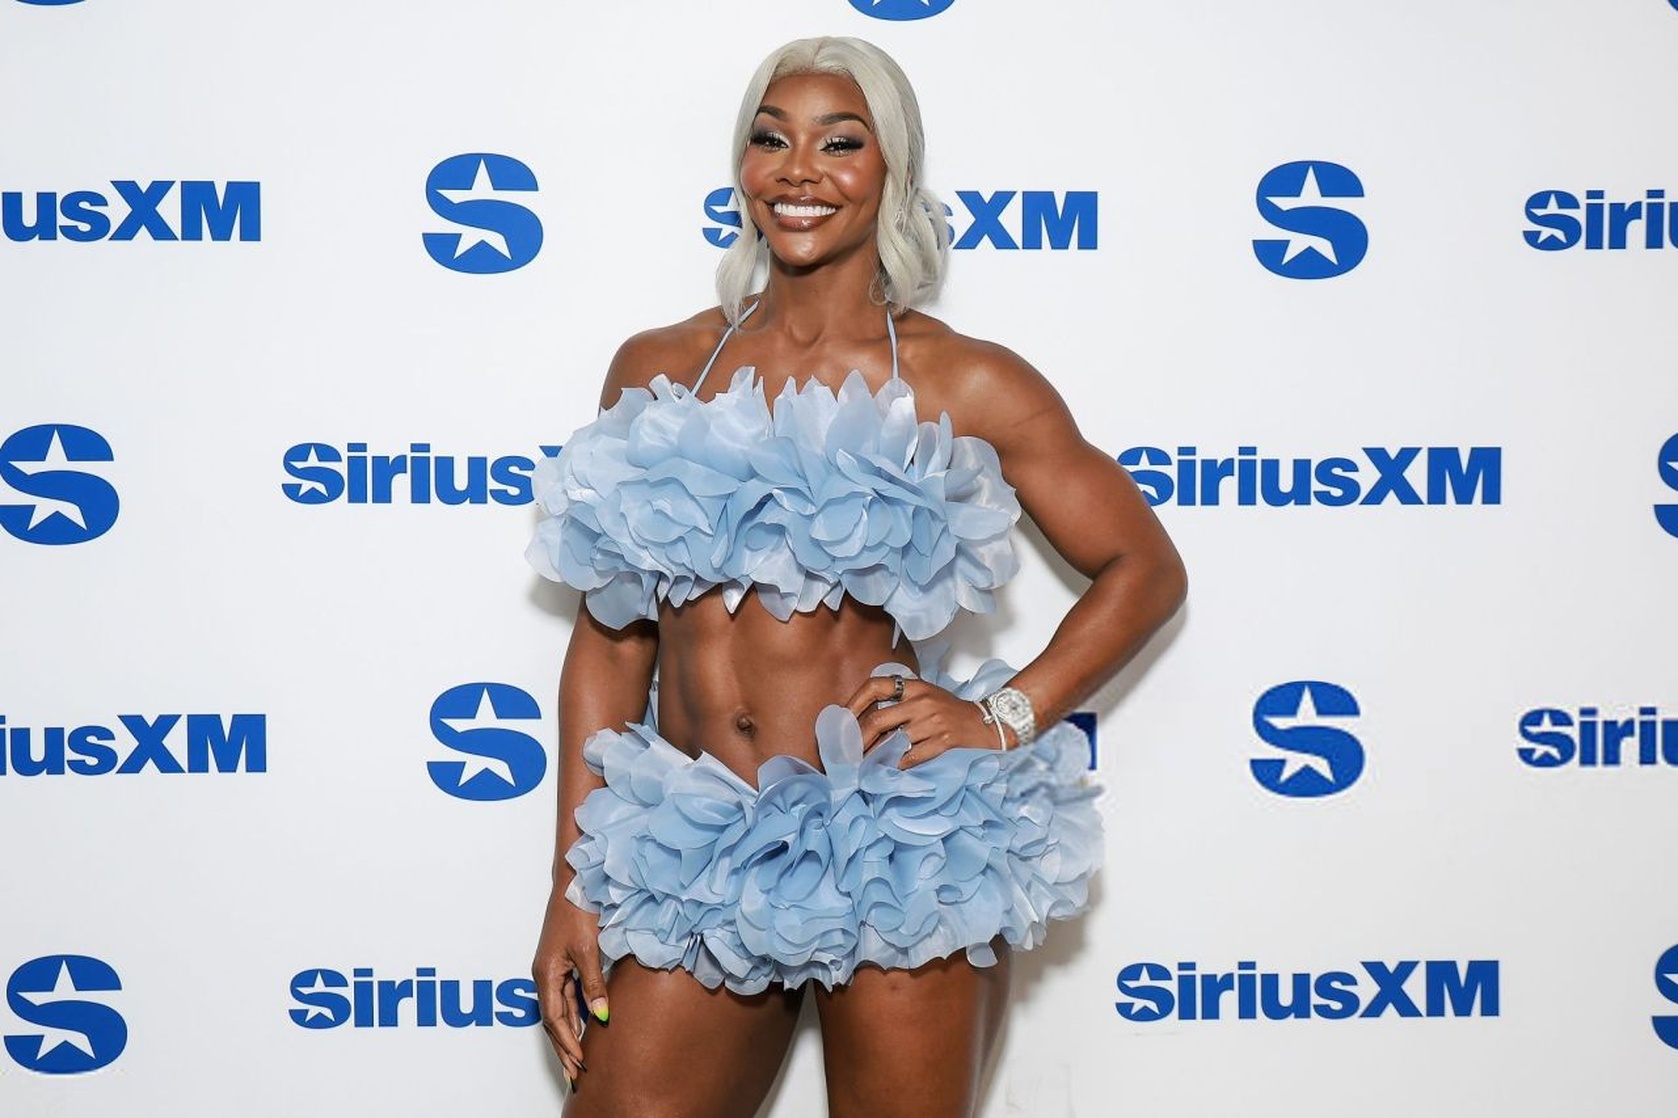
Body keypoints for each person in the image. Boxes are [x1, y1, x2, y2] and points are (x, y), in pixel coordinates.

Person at [525, 35, 1185, 1118]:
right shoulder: (658, 367)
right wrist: (571, 882)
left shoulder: (961, 378)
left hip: (897, 844)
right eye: (770, 139)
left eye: (840, 143)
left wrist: (1003, 717)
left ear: (893, 171)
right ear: (741, 165)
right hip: (693, 849)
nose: (800, 171)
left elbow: (1143, 567)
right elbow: (608, 644)